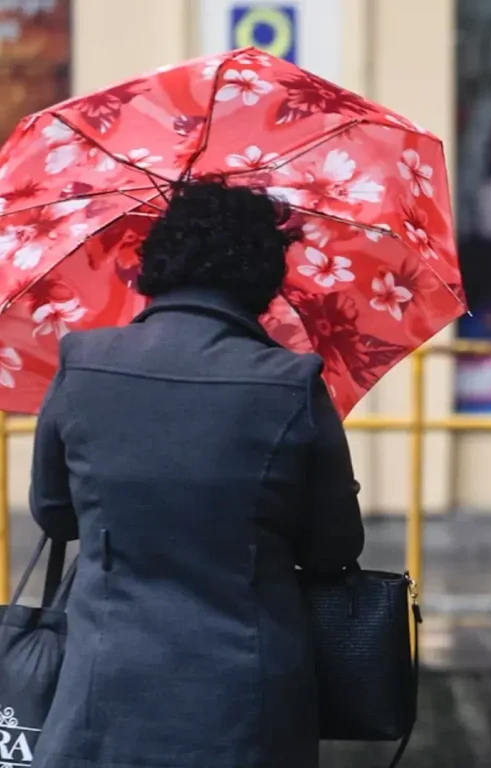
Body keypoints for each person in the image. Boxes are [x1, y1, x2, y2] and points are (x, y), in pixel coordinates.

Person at [29, 178, 365, 768]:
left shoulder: (82, 362)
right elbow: (334, 547)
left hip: (101, 696)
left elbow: (55, 514)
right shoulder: (292, 382)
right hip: (248, 705)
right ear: (264, 276)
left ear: (156, 261)